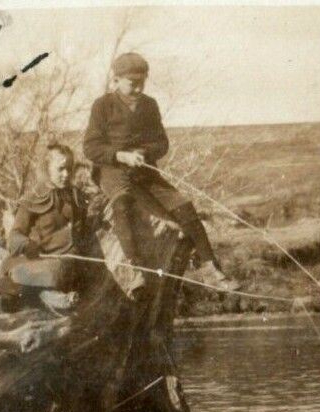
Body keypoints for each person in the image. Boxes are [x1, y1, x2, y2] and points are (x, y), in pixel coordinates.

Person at [83, 52, 237, 293]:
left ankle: (210, 268)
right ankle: (135, 270)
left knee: (184, 206)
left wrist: (143, 153)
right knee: (122, 204)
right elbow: (91, 148)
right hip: (112, 170)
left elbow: (162, 143)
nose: (137, 88)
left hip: (144, 171)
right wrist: (121, 156)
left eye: (141, 82)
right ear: (117, 80)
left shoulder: (149, 105)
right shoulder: (102, 105)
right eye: (132, 83)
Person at [0, 142, 87, 313]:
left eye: (69, 168)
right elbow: (14, 238)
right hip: (37, 260)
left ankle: (33, 296)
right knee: (48, 274)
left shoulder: (76, 197)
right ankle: (50, 299)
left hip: (68, 260)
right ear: (47, 168)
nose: (66, 174)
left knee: (62, 272)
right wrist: (27, 244)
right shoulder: (32, 198)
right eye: (60, 169)